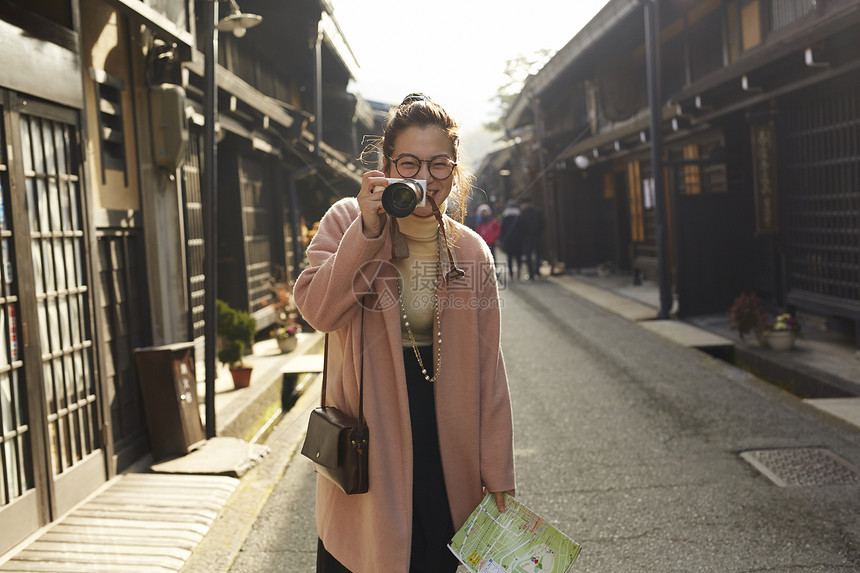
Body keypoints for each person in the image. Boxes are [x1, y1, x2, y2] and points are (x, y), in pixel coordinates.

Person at [293, 93, 516, 573]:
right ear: (387, 165)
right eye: (409, 162)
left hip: (446, 442)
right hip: (369, 437)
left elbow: (488, 370)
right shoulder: (345, 221)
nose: (424, 178)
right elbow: (318, 311)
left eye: (439, 165)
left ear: (455, 171)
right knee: (368, 553)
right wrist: (369, 232)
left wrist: (498, 473)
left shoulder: (471, 250)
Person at [518, 196, 544, 280]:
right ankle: (537, 270)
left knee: (528, 255)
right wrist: (539, 231)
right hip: (537, 235)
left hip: (527, 237)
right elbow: (543, 223)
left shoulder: (523, 213)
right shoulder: (538, 211)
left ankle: (531, 273)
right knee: (538, 254)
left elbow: (520, 226)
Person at [500, 199, 522, 280]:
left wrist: (502, 239)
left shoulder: (505, 216)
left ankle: (511, 274)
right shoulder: (519, 216)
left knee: (509, 258)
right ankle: (519, 268)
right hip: (518, 240)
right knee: (518, 257)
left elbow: (502, 229)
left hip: (508, 241)